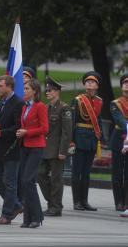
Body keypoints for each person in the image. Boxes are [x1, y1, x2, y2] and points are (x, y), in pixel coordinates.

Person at [0, 75, 24, 225]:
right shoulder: (1, 102)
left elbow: (18, 127)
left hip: (11, 148)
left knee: (10, 182)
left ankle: (7, 214)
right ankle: (15, 204)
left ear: (9, 87)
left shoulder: (18, 103)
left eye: (1, 86)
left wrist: (0, 132)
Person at [38, 76, 72, 217]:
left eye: (50, 90)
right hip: (45, 149)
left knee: (56, 179)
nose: (47, 93)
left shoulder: (64, 108)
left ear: (57, 91)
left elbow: (67, 132)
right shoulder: (46, 108)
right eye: (46, 90)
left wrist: (63, 151)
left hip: (57, 150)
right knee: (40, 175)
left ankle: (56, 207)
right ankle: (51, 202)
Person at [16, 79, 48, 228]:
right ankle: (28, 218)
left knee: (28, 180)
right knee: (25, 181)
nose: (25, 91)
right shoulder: (24, 107)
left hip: (36, 147)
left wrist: (26, 132)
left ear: (35, 91)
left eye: (27, 88)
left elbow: (45, 128)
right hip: (25, 146)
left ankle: (37, 216)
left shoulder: (40, 106)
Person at [71, 71, 103, 211]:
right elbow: (72, 121)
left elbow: (98, 120)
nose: (90, 83)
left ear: (97, 85)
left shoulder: (99, 101)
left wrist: (101, 137)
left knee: (86, 172)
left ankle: (85, 201)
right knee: (77, 171)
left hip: (92, 139)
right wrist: (71, 141)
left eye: (93, 82)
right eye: (88, 81)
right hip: (79, 137)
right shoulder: (78, 100)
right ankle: (76, 201)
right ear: (84, 84)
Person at [110, 73, 128, 211]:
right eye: (125, 82)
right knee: (117, 172)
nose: (127, 84)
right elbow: (120, 121)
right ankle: (119, 201)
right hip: (119, 140)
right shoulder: (115, 103)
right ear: (121, 86)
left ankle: (126, 200)